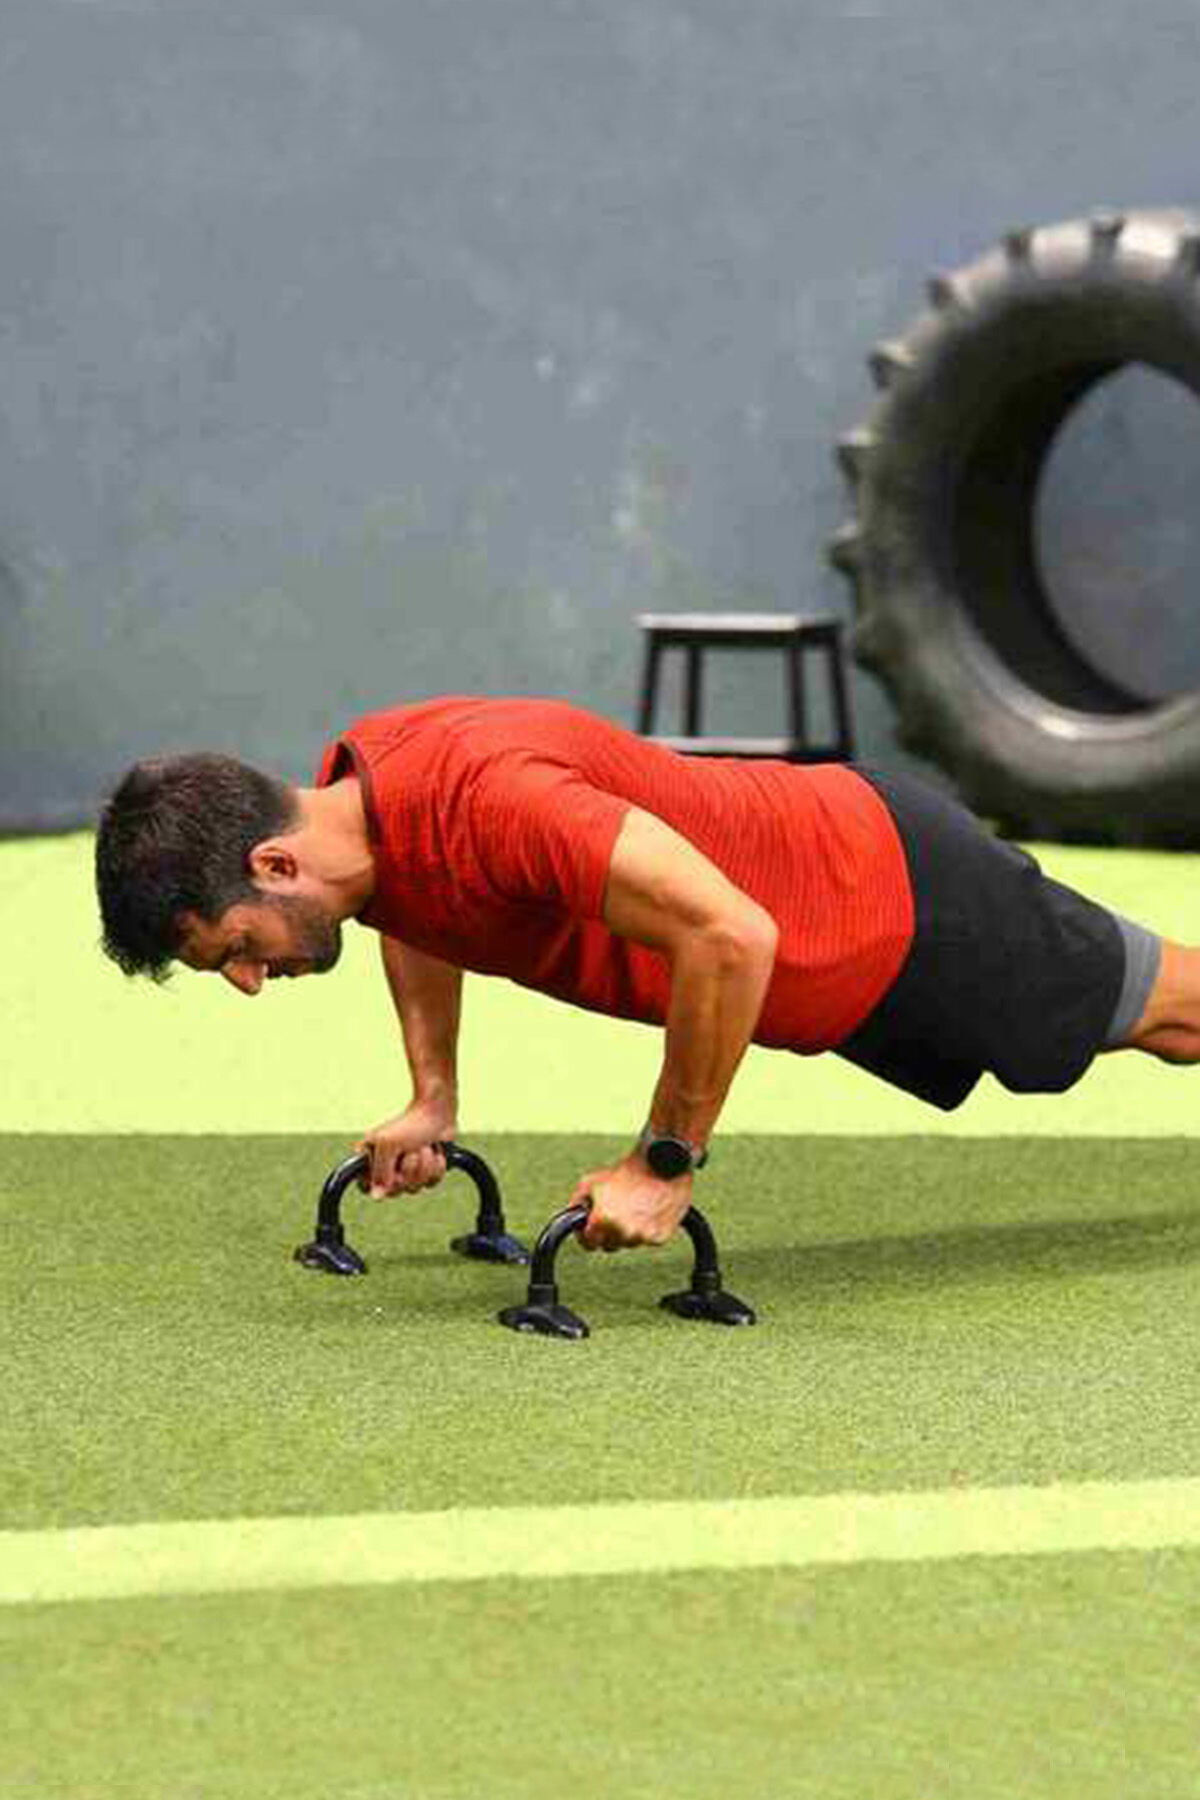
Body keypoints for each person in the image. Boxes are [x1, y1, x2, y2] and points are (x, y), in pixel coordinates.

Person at [94, 694, 1200, 1252]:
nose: (249, 981)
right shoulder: (361, 813)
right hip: (845, 965)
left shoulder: (491, 798)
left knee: (1176, 1018)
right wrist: (434, 1093)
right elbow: (418, 910)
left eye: (236, 949)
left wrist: (663, 1162)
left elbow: (731, 936)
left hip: (895, 898)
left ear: (274, 864)